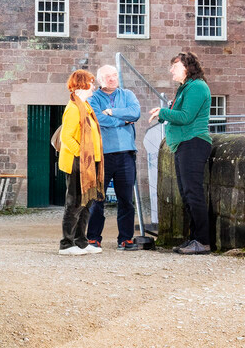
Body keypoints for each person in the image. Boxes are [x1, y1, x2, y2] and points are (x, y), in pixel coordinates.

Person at [150, 53, 214, 255]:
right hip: (184, 145)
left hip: (194, 143)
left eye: (175, 66)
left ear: (188, 67)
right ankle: (194, 238)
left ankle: (203, 241)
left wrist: (162, 113)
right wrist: (163, 116)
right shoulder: (185, 88)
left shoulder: (197, 87)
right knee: (187, 194)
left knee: (193, 194)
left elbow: (186, 117)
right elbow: (177, 114)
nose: (171, 70)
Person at [88, 64, 143, 250]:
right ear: (100, 80)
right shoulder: (93, 98)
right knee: (97, 199)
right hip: (102, 155)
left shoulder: (128, 95)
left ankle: (125, 239)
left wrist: (112, 112)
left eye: (114, 75)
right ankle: (93, 238)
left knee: (126, 199)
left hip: (126, 153)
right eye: (107, 76)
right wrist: (124, 120)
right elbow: (97, 118)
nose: (112, 79)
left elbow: (135, 113)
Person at [56, 68, 104, 255]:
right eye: (90, 83)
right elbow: (67, 137)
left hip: (90, 163)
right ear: (81, 86)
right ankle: (66, 244)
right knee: (75, 203)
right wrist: (81, 155)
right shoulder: (74, 108)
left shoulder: (86, 107)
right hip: (78, 163)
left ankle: (80, 241)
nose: (93, 86)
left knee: (86, 202)